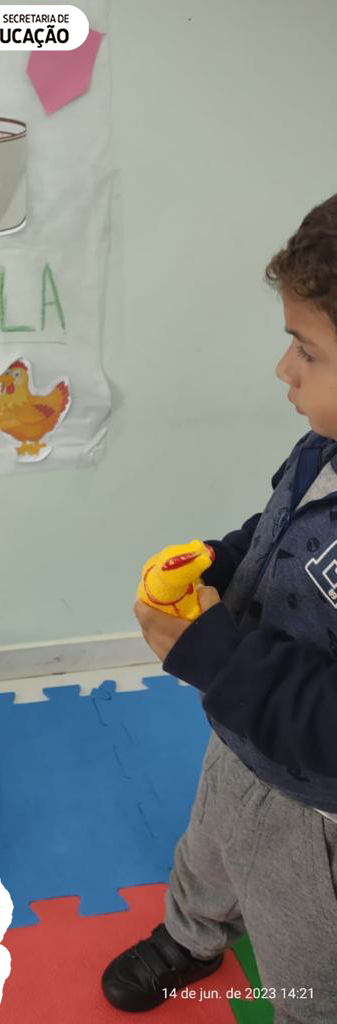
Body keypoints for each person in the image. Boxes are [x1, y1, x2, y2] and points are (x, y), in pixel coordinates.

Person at [101, 194, 337, 1023]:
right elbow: (279, 526)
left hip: (319, 809)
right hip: (243, 729)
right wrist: (222, 560)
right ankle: (190, 935)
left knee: (306, 953)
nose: (284, 370)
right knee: (208, 845)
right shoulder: (323, 444)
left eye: (308, 351)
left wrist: (213, 656)